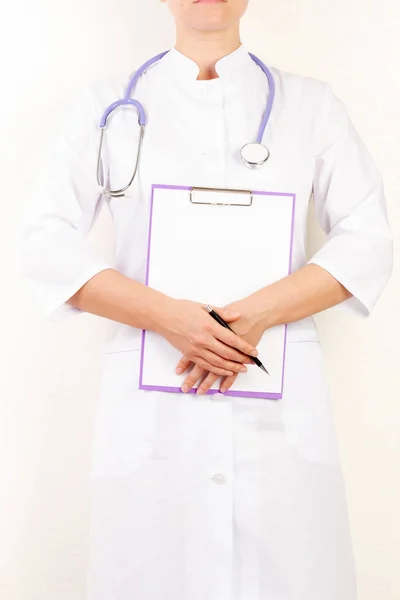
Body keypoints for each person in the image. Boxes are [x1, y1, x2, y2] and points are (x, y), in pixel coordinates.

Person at [20, 0, 393, 599]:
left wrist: (255, 316)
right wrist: (171, 319)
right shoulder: (105, 107)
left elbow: (368, 240)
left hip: (277, 396)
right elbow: (43, 245)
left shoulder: (312, 105)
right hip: (154, 393)